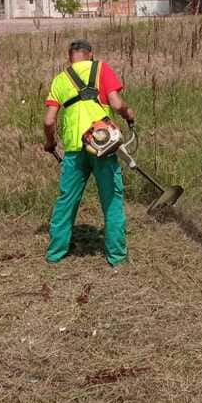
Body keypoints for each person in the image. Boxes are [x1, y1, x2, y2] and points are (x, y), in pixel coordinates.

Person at [43, 39, 135, 267]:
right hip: (102, 146)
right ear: (90, 55)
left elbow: (49, 120)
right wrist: (128, 114)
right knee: (112, 200)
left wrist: (50, 143)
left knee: (67, 200)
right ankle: (116, 256)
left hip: (75, 149)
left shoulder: (60, 79)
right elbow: (115, 103)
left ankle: (55, 253)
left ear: (69, 58)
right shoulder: (102, 68)